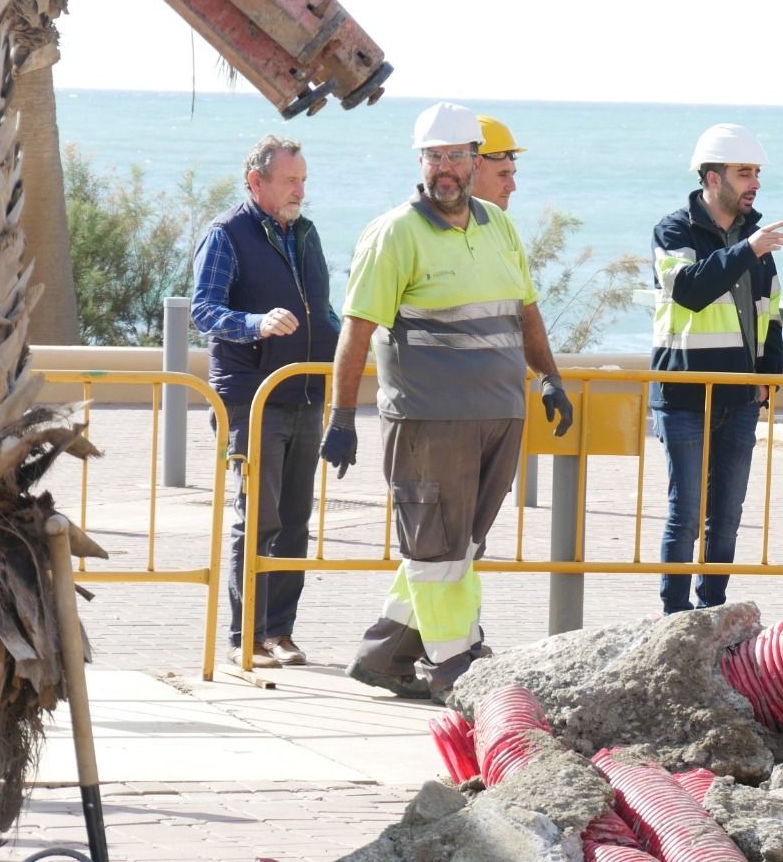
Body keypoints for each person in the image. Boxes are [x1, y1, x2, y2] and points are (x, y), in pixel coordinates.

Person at [319, 101, 573, 702]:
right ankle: (458, 661)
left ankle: (385, 654)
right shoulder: (395, 233)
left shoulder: (498, 225)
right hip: (429, 418)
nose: (446, 169)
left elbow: (525, 310)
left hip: (499, 413)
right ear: (421, 162)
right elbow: (356, 329)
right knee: (437, 544)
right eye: (435, 157)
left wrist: (550, 378)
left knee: (461, 545)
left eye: (456, 156)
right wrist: (341, 415)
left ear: (474, 160)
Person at [192, 135, 339, 669]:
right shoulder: (226, 234)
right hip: (252, 397)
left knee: (297, 519)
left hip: (305, 393)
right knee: (259, 518)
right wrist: (254, 324)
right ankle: (244, 637)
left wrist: (351, 344)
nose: (300, 189)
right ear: (256, 182)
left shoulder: (305, 232)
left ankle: (280, 632)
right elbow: (203, 310)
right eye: (290, 180)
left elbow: (321, 310)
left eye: (303, 179)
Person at [649, 124, 783, 614]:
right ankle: (673, 616)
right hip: (684, 394)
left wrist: (769, 377)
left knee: (726, 518)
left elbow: (768, 313)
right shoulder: (673, 230)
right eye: (743, 172)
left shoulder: (755, 239)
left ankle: (713, 614)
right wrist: (746, 250)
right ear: (711, 177)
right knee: (685, 515)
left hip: (740, 397)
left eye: (755, 173)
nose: (754, 183)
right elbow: (688, 289)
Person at [473, 114, 524, 211]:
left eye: (512, 175)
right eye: (502, 175)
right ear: (473, 167)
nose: (512, 187)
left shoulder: (499, 223)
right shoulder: (438, 224)